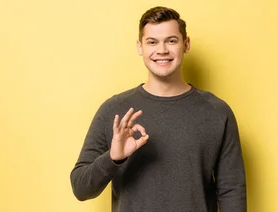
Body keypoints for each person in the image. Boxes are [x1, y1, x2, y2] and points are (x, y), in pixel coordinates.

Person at [70, 6, 246, 212]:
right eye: (152, 42)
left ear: (186, 44)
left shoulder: (217, 112)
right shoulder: (114, 111)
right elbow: (80, 188)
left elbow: (231, 192)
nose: (162, 50)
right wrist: (113, 158)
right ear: (140, 47)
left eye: (171, 41)